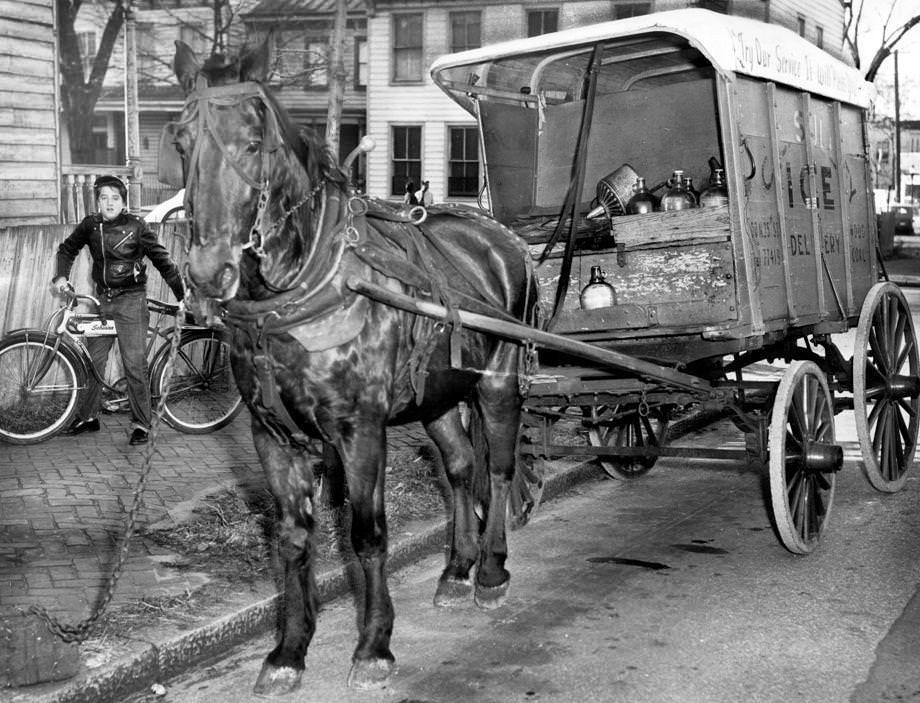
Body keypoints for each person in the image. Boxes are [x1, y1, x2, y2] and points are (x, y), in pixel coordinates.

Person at [51, 175, 185, 445]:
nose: (108, 203)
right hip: (102, 302)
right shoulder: (90, 225)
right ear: (98, 201)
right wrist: (61, 276)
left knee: (134, 365)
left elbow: (164, 262)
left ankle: (142, 425)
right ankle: (89, 417)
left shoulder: (137, 226)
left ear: (123, 202)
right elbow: (67, 249)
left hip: (131, 302)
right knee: (93, 361)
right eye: (103, 197)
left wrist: (183, 296)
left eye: (114, 198)